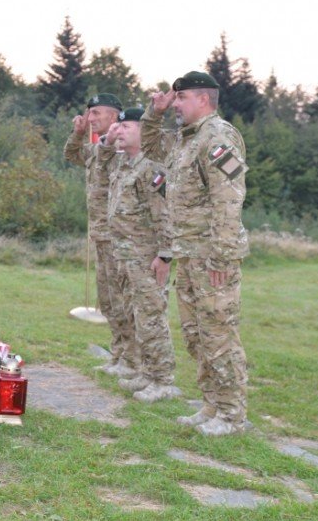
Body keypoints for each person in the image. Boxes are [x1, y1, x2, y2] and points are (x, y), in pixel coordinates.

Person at [141, 71, 250, 436]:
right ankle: (211, 405)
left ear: (203, 99)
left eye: (181, 98)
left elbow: (229, 198)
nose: (176, 104)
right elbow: (149, 145)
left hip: (211, 256)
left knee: (218, 335)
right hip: (189, 253)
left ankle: (232, 415)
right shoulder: (186, 140)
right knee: (195, 335)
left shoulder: (218, 137)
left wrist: (221, 256)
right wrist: (154, 113)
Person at [106, 109, 180, 403]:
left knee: (151, 317)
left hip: (146, 256)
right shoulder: (124, 165)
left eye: (126, 126)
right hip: (125, 256)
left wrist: (164, 255)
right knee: (136, 316)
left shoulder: (152, 169)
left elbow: (163, 214)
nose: (119, 131)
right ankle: (147, 373)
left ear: (142, 131)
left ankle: (164, 380)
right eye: (118, 126)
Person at [63, 93, 140, 378]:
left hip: (120, 236)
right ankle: (119, 355)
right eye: (89, 114)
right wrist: (79, 133)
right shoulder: (98, 148)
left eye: (96, 114)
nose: (91, 118)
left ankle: (133, 360)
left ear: (112, 116)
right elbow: (72, 155)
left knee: (124, 300)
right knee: (108, 302)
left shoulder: (121, 148)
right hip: (101, 235)